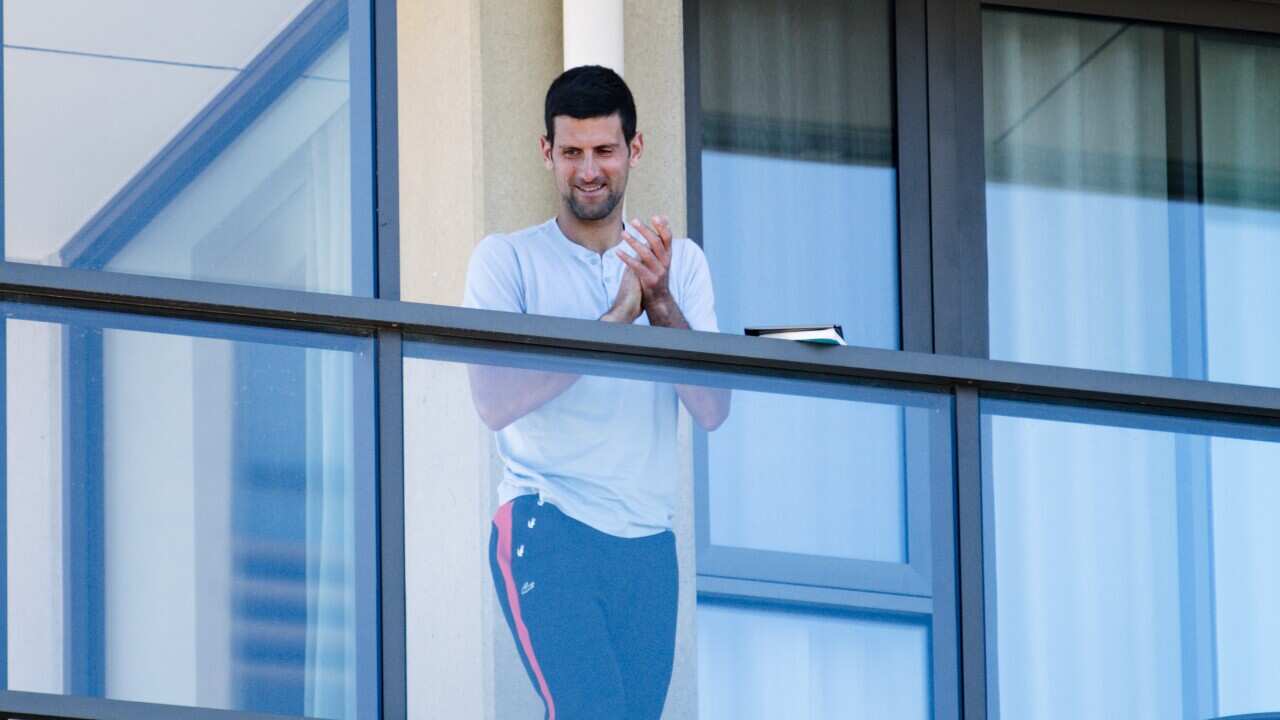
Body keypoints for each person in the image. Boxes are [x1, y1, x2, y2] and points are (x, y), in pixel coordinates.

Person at [462, 65, 730, 719]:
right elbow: (493, 403)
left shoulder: (680, 265)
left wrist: (660, 302)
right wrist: (613, 323)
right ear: (546, 152)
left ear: (634, 151)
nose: (589, 170)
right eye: (573, 152)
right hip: (546, 520)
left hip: (647, 542)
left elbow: (713, 409)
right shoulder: (507, 260)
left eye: (605, 151)